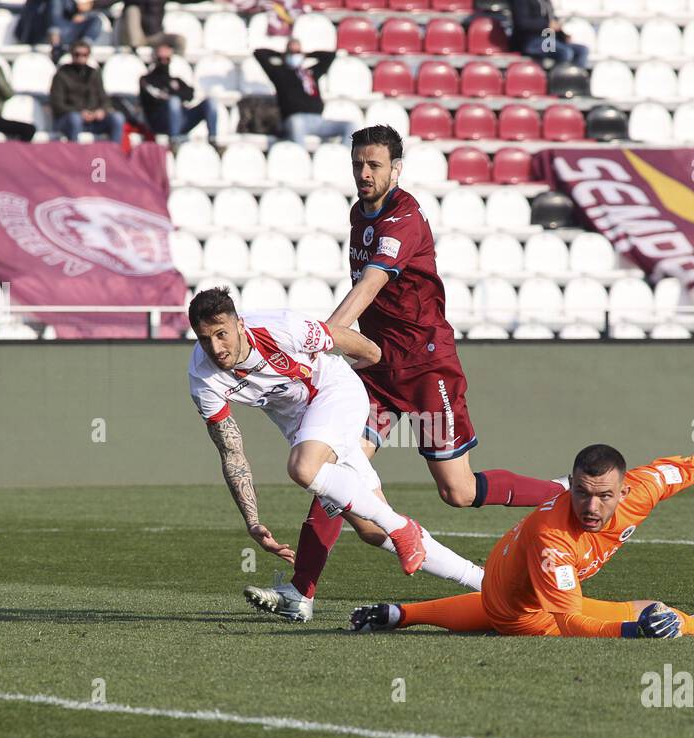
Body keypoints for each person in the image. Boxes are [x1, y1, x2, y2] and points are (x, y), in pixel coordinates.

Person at [243, 125, 567, 624]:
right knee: (335, 471)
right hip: (374, 369)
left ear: (396, 168)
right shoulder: (359, 213)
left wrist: (328, 334)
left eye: (374, 165)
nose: (364, 174)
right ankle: (300, 592)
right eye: (358, 165)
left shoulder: (404, 218)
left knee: (457, 492)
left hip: (425, 367)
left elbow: (370, 285)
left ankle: (561, 493)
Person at [350, 445, 694, 638]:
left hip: (499, 588)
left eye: (604, 496)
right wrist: (634, 631)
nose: (591, 507)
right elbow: (568, 620)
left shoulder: (645, 485)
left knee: (498, 605)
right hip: (525, 611)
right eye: (582, 493)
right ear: (569, 484)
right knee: (655, 612)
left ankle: (402, 614)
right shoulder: (554, 537)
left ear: (626, 490)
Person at [188, 288, 484, 589]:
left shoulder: (282, 328)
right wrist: (252, 521)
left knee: (304, 468)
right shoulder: (203, 378)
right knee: (371, 530)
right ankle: (483, 582)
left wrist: (369, 363)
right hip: (305, 427)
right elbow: (231, 453)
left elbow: (357, 345)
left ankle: (396, 530)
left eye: (221, 334)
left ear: (239, 325)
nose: (215, 347)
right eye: (204, 338)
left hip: (336, 392)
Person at [253, 40, 353, 148]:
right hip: (295, 119)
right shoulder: (279, 72)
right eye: (291, 52)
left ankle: (344, 158)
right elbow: (259, 53)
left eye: (298, 52)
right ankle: (301, 159)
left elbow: (330, 56)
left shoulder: (311, 72)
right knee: (297, 123)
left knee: (351, 125)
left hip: (318, 120)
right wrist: (281, 54)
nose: (295, 55)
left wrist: (307, 55)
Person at [139, 40, 219, 144]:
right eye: (161, 58)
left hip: (181, 118)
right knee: (174, 102)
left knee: (210, 102)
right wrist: (174, 95)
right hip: (159, 121)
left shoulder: (175, 80)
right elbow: (154, 98)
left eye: (167, 58)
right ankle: (174, 142)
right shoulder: (146, 79)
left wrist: (170, 94)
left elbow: (190, 94)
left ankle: (213, 141)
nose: (164, 61)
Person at [50, 40, 125, 142]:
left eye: (84, 55)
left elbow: (105, 99)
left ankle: (114, 154)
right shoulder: (61, 75)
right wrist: (80, 112)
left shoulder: (94, 74)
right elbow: (57, 105)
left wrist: (102, 110)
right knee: (74, 118)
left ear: (88, 56)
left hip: (93, 120)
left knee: (117, 118)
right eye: (77, 54)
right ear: (71, 55)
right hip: (69, 120)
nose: (81, 58)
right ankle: (74, 155)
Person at [509, 0, 589, 69]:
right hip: (530, 41)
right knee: (565, 52)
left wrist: (563, 35)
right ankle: (559, 83)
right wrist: (547, 25)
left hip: (549, 40)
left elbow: (552, 20)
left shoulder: (546, 1)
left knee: (582, 50)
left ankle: (575, 81)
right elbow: (522, 23)